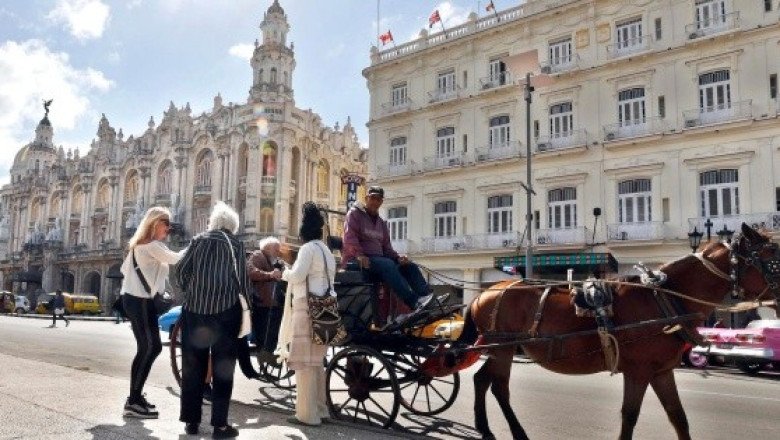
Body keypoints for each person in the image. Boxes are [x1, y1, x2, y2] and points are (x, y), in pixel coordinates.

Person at [177, 201, 248, 439]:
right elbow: (242, 281)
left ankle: (191, 422)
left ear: (214, 222)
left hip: (195, 311)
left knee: (192, 366)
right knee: (223, 369)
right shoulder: (236, 244)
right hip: (225, 313)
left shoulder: (197, 240)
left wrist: (191, 291)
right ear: (232, 225)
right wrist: (247, 308)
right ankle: (220, 426)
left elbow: (181, 271)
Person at [120, 206, 184, 419]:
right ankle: (133, 400)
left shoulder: (139, 246)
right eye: (167, 223)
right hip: (139, 301)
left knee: (148, 347)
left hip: (136, 300)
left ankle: (135, 397)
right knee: (150, 347)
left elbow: (124, 270)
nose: (169, 228)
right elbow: (177, 259)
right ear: (155, 223)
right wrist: (197, 245)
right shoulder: (152, 246)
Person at [342, 185, 437, 320]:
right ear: (366, 198)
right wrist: (359, 255)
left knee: (409, 266)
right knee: (387, 264)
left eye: (378, 199)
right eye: (373, 198)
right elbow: (349, 238)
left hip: (378, 261)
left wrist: (398, 258)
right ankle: (413, 302)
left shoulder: (381, 223)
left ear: (382, 202)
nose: (375, 202)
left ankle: (426, 298)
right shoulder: (354, 214)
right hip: (357, 260)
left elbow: (387, 248)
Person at [276, 202, 331, 426]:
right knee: (317, 363)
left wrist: (284, 272)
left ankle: (307, 415)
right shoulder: (326, 250)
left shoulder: (308, 249)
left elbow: (298, 276)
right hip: (325, 309)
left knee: (305, 365)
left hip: (307, 308)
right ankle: (321, 409)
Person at [246, 236, 284, 363]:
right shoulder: (258, 256)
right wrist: (270, 275)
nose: (278, 252)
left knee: (272, 329)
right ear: (267, 248)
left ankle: (267, 354)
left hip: (268, 302)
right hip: (261, 302)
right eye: (276, 249)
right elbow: (251, 272)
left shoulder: (271, 260)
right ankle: (265, 354)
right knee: (266, 331)